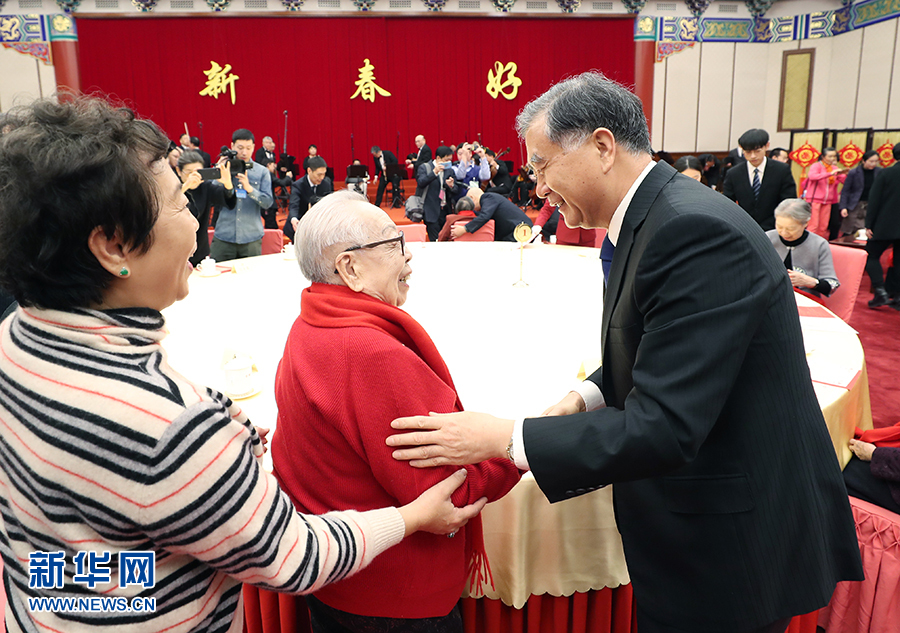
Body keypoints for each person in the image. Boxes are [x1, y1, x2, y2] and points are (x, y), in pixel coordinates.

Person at [385, 72, 863, 633]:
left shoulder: (691, 231)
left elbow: (666, 424)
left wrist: (503, 437)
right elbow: (661, 349)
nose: (538, 189)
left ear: (602, 146)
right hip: (708, 527)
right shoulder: (652, 217)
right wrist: (584, 397)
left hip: (734, 543)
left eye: (542, 166)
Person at [0, 97, 484, 633]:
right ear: (114, 246)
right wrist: (410, 518)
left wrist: (215, 451)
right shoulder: (167, 425)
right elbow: (290, 555)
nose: (196, 221)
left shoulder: (14, 338)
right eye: (181, 204)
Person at [272, 191, 520, 632]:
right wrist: (516, 445)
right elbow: (448, 493)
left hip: (337, 580)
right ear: (349, 268)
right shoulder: (369, 352)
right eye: (393, 243)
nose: (409, 256)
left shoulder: (309, 322)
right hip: (394, 597)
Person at [210, 128, 274, 261]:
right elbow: (210, 197)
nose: (244, 152)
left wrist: (250, 189)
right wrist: (218, 173)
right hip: (224, 236)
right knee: (219, 273)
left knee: (251, 274)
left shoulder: (261, 172)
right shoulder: (223, 168)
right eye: (240, 148)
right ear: (232, 146)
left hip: (251, 237)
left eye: (248, 148)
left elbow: (268, 203)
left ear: (254, 147)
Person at [722, 128, 797, 232]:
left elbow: (788, 201)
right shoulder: (734, 173)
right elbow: (728, 203)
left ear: (767, 146)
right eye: (748, 152)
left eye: (757, 151)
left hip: (775, 228)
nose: (753, 156)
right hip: (744, 228)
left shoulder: (781, 170)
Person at [766, 198, 840, 297]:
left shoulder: (819, 244)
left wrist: (811, 282)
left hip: (804, 298)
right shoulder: (767, 238)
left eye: (790, 229)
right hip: (770, 295)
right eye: (779, 227)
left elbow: (832, 285)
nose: (784, 233)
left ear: (805, 223)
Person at [176, 150, 235, 266]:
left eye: (198, 172)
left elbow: (229, 201)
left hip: (199, 250)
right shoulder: (173, 187)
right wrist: (186, 186)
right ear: (179, 171)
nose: (194, 176)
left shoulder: (205, 187)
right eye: (189, 172)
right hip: (176, 250)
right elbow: (166, 204)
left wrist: (228, 183)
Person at [863, 145, 900, 309]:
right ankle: (898, 297)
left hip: (885, 224)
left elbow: (874, 200)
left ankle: (880, 291)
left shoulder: (886, 173)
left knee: (870, 255)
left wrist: (869, 224)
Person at [446, 188, 532, 242]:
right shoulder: (488, 200)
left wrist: (464, 229)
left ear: (472, 198)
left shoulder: (488, 197)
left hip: (519, 230)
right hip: (511, 231)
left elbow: (484, 216)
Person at [285, 155, 333, 241]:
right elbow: (294, 205)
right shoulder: (298, 185)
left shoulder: (326, 183)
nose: (322, 177)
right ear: (309, 171)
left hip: (318, 226)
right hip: (299, 225)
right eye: (319, 174)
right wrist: (294, 219)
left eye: (324, 174)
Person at [804, 147, 848, 240]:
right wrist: (830, 174)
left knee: (823, 226)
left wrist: (846, 174)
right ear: (823, 157)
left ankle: (820, 244)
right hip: (815, 199)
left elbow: (844, 181)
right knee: (813, 225)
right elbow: (812, 176)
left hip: (828, 201)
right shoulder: (816, 166)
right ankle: (809, 243)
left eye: (834, 156)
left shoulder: (834, 168)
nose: (832, 158)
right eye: (830, 156)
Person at [417, 145, 458, 241]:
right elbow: (421, 183)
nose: (449, 162)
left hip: (446, 211)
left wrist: (451, 186)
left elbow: (456, 189)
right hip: (431, 211)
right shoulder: (425, 167)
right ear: (438, 158)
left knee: (446, 240)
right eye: (446, 160)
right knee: (434, 241)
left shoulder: (449, 170)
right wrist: (434, 172)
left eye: (450, 160)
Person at [839, 150, 881, 236]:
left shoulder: (880, 172)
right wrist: (843, 207)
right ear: (863, 161)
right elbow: (845, 190)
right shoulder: (854, 172)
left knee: (867, 229)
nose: (874, 164)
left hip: (871, 204)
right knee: (850, 229)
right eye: (871, 161)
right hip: (855, 204)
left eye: (876, 161)